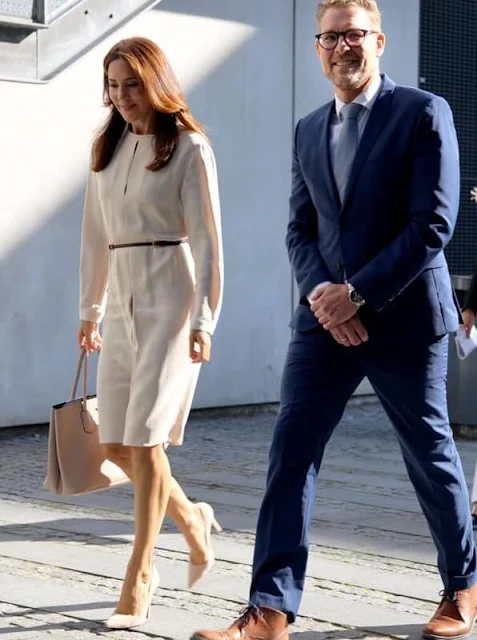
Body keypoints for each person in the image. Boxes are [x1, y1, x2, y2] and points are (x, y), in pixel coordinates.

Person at [191, 1, 477, 639]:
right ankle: (269, 609)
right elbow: (301, 228)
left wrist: (360, 294)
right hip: (324, 323)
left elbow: (432, 223)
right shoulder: (307, 128)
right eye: (329, 37)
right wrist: (325, 292)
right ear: (317, 49)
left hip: (404, 319)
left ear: (378, 41)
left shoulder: (424, 112)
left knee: (428, 454)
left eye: (353, 35)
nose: (341, 47)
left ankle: (462, 587)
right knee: (291, 454)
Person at [77, 37, 223, 630]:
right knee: (115, 444)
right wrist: (90, 307)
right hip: (119, 302)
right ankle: (191, 518)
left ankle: (139, 575)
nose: (122, 97)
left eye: (132, 84)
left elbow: (211, 239)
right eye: (113, 86)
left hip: (171, 292)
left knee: (146, 440)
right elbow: (93, 233)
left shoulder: (189, 147)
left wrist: (205, 318)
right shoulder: (106, 149)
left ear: (154, 82)